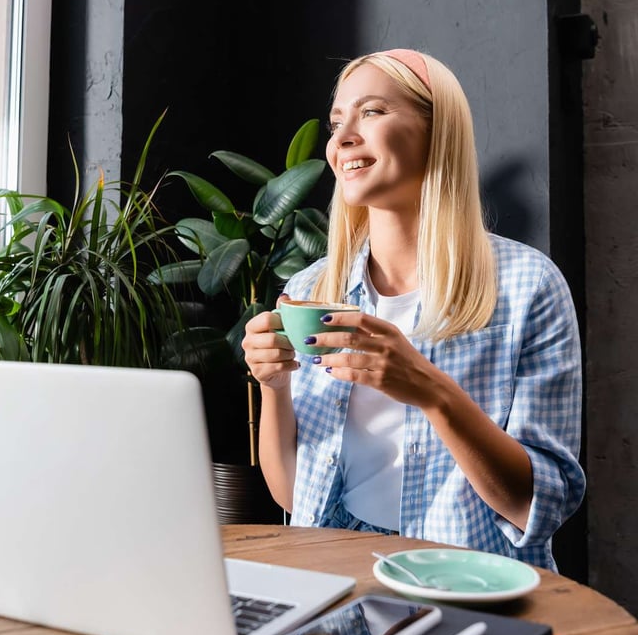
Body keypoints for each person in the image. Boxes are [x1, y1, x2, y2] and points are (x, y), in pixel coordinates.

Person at [242, 48, 585, 571]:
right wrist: (274, 386)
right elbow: (293, 497)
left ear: (436, 129)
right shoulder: (312, 287)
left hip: (467, 580)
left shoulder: (527, 286)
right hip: (336, 571)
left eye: (372, 112)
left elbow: (538, 505)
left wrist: (431, 391)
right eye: (337, 122)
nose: (342, 138)